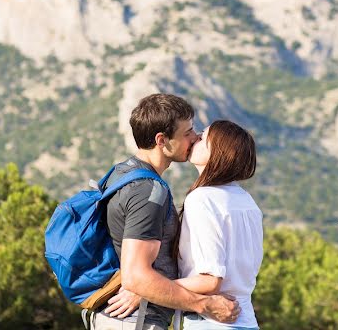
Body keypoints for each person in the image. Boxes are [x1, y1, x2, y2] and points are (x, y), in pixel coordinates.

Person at [88, 94, 240, 330]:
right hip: (135, 321)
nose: (195, 136)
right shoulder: (149, 191)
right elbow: (136, 277)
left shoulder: (120, 173)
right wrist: (205, 304)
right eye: (187, 132)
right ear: (162, 140)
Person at [106, 120, 263, 330]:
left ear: (219, 152)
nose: (195, 138)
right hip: (246, 320)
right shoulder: (247, 201)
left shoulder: (203, 199)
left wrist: (146, 289)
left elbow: (210, 280)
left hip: (212, 323)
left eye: (203, 138)